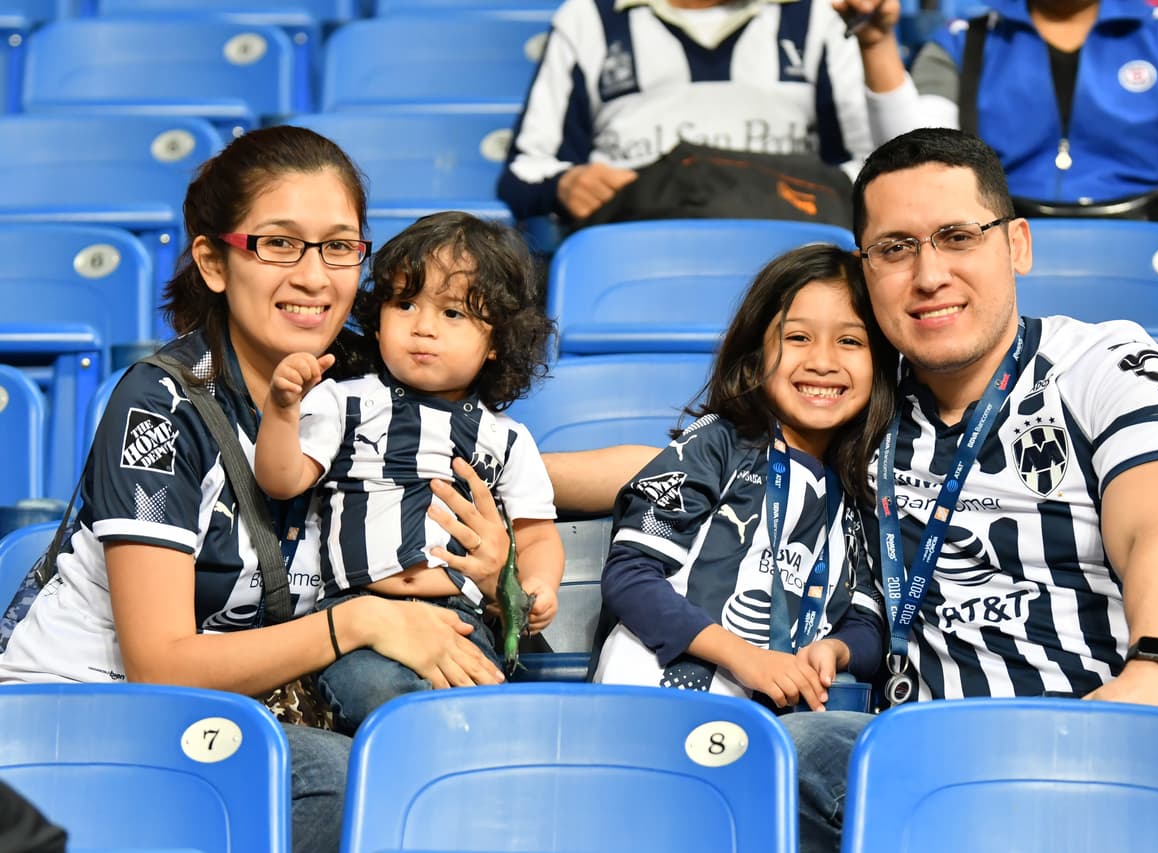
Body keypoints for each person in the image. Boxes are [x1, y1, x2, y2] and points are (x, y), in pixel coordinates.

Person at [542, 127, 1158, 852]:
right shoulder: (864, 396)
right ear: (866, 268)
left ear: (1017, 244)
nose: (929, 273)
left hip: (1115, 733)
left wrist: (1156, 664)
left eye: (957, 236)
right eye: (896, 248)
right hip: (929, 763)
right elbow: (704, 465)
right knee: (763, 756)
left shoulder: (1106, 364)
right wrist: (506, 475)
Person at [0, 126, 509, 853]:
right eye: (279, 243)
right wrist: (355, 622)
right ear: (213, 261)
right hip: (79, 714)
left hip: (230, 718)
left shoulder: (367, 381)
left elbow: (526, 471)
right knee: (347, 782)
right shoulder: (160, 405)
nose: (314, 276)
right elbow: (159, 664)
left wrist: (494, 568)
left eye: (339, 246)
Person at [255, 212, 564, 734]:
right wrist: (283, 412)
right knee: (387, 701)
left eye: (453, 314)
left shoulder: (508, 438)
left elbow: (536, 533)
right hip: (361, 615)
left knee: (481, 720)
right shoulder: (344, 402)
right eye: (405, 304)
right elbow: (283, 480)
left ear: (496, 343)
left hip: (462, 621)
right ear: (377, 321)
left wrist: (535, 586)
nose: (423, 326)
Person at [594, 244, 896, 710]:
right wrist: (746, 658)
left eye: (850, 341)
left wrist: (836, 650)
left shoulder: (866, 487)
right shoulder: (717, 444)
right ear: (756, 356)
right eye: (798, 338)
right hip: (658, 697)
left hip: (783, 720)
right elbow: (631, 576)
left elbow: (868, 619)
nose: (822, 361)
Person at [835, 0, 1158, 221]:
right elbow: (918, 168)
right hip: (1005, 256)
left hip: (1157, 250)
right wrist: (876, 43)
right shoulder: (962, 41)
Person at [497, 0, 878, 224]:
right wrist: (565, 184)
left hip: (788, 262)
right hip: (638, 257)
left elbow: (869, 171)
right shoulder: (588, 18)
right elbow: (523, 172)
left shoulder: (820, 15)